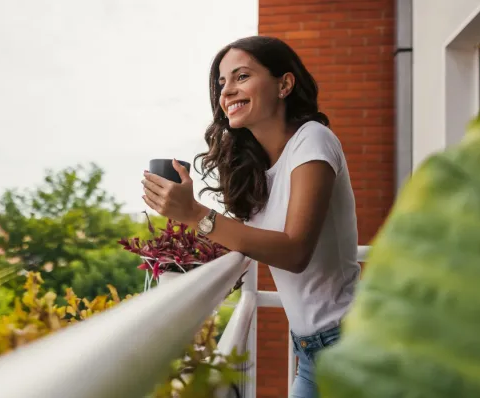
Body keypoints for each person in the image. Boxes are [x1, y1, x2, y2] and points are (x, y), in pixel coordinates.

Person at [141, 35, 360, 398]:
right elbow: (254, 240)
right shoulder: (257, 167)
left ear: (284, 84)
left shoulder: (314, 140)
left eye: (241, 76)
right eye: (222, 83)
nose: (226, 91)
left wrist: (194, 213)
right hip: (310, 350)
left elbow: (294, 251)